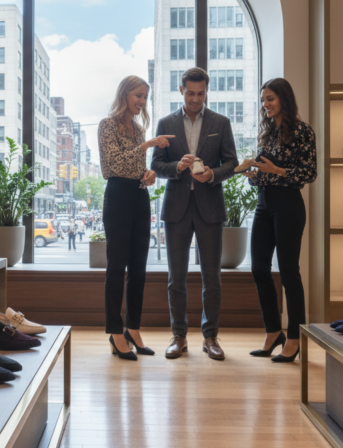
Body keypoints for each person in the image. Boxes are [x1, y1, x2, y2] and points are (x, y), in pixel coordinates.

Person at [151, 67, 238, 361]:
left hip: (209, 208)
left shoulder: (221, 122)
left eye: (201, 93)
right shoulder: (166, 123)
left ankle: (210, 337)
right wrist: (177, 167)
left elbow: (232, 163)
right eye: (190, 93)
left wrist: (212, 174)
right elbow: (156, 165)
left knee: (212, 278)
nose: (196, 99)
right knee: (176, 278)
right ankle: (179, 336)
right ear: (181, 90)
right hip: (176, 209)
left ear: (206, 92)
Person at [244, 78, 317, 363]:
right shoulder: (267, 134)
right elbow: (264, 174)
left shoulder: (302, 131)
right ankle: (273, 332)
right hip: (264, 204)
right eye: (263, 100)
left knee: (288, 272)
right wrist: (254, 175)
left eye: (270, 99)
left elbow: (309, 172)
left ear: (284, 99)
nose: (266, 104)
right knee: (259, 269)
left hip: (288, 205)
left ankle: (295, 337)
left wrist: (278, 170)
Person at [99, 75, 169, 361]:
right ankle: (116, 333)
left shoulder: (139, 129)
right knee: (117, 267)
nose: (142, 101)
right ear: (125, 95)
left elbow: (136, 167)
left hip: (140, 196)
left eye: (145, 97)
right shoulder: (107, 125)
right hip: (117, 196)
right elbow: (114, 164)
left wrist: (149, 174)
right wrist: (147, 146)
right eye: (138, 95)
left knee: (139, 268)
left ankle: (134, 329)